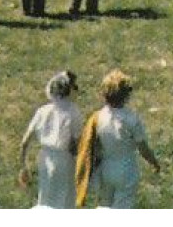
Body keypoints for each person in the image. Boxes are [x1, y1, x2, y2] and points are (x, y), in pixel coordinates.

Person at [76, 70, 161, 208]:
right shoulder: (131, 119)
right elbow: (142, 147)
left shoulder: (98, 117)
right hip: (126, 167)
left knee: (104, 205)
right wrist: (154, 162)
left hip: (106, 167)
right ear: (126, 95)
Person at [21, 71, 83, 208]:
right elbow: (76, 144)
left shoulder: (42, 111)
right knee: (64, 201)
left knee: (45, 197)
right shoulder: (73, 112)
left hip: (44, 157)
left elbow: (25, 142)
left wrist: (23, 167)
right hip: (64, 160)